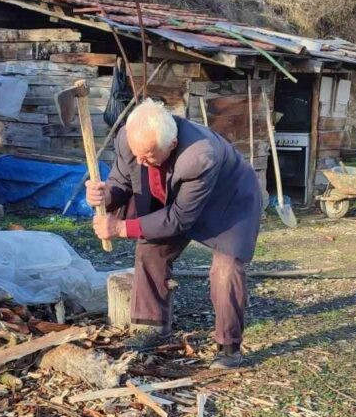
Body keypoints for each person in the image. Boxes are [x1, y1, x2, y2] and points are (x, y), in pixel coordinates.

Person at [86, 98, 262, 369]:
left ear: (172, 144)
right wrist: (103, 197)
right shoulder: (131, 139)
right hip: (175, 195)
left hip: (229, 203)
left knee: (225, 271)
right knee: (150, 248)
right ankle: (152, 326)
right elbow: (121, 182)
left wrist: (121, 227)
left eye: (149, 156)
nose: (142, 163)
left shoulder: (200, 155)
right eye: (138, 154)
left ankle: (229, 347)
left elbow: (179, 218)